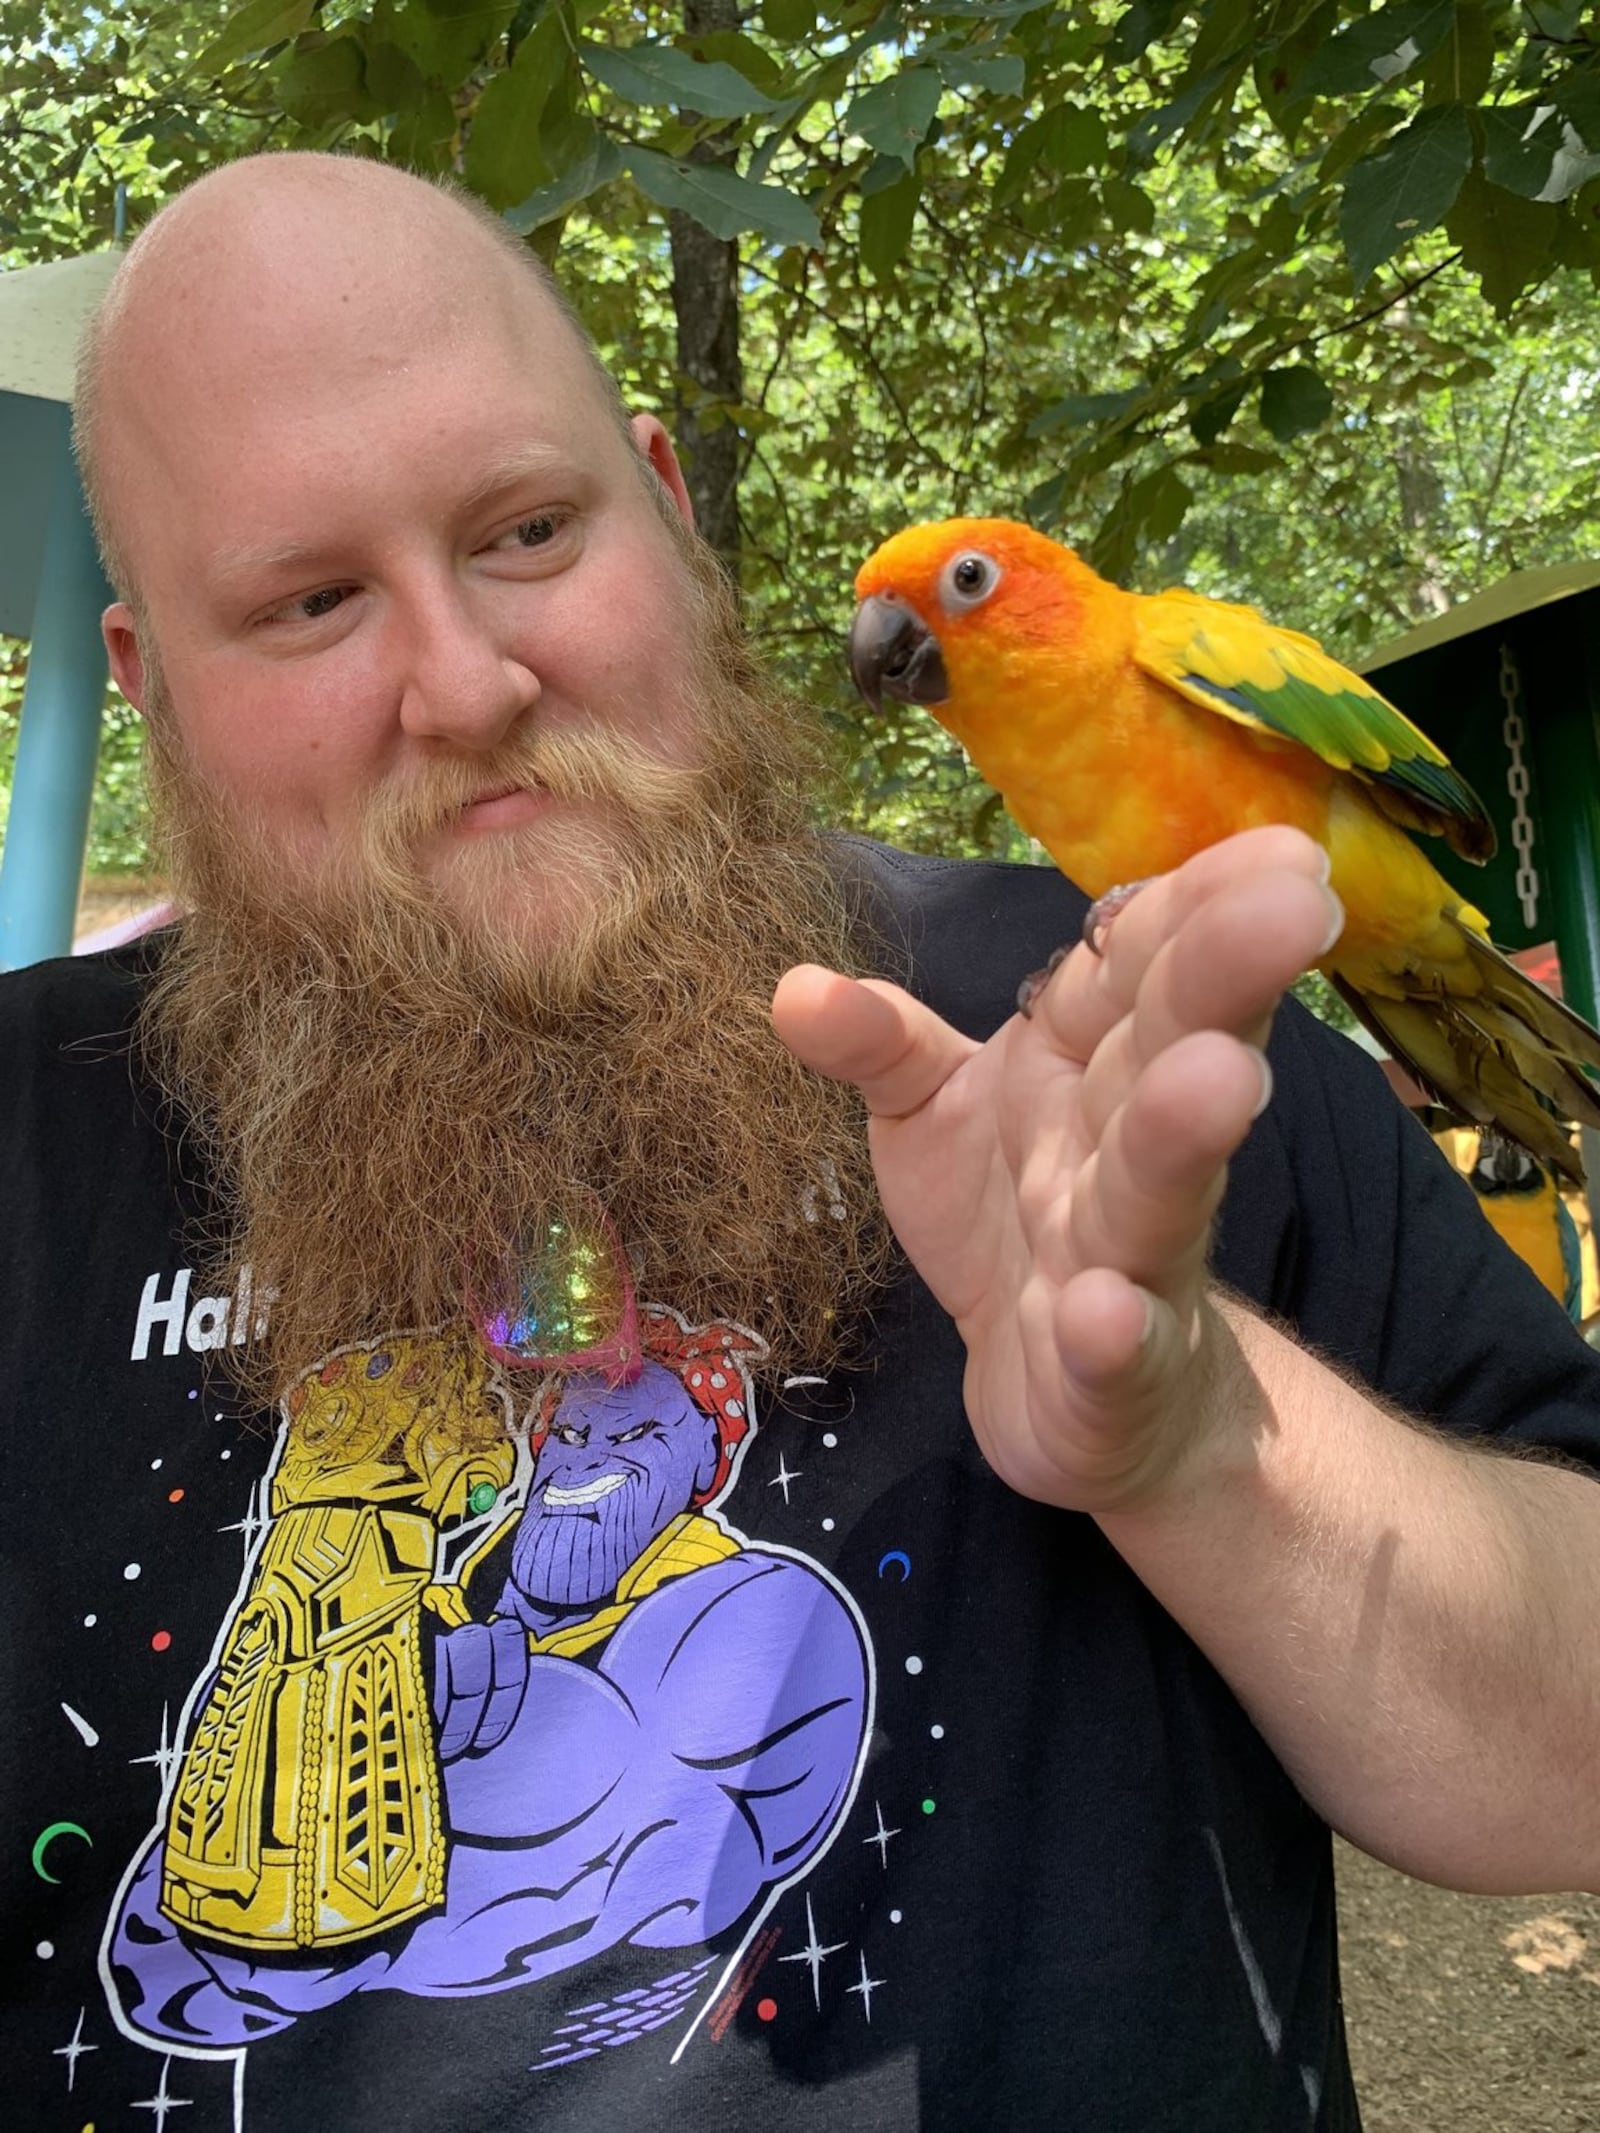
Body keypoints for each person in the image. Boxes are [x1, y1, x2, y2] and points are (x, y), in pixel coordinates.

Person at [4, 152, 1600, 2133]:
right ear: (150, 687)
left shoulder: (1133, 1038)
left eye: (525, 528)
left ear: (667, 512)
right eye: (312, 597)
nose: (468, 682)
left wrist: (1199, 1442)